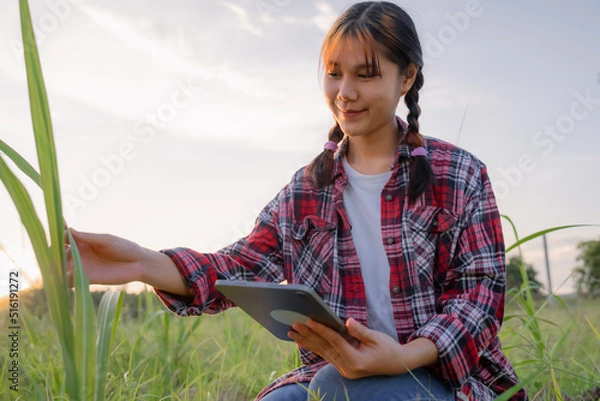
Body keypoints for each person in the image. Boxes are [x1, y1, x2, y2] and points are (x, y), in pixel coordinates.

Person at [66, 2, 528, 400]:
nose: (345, 93)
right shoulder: (306, 191)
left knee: (332, 390)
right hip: (332, 372)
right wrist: (143, 264)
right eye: (334, 73)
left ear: (406, 77)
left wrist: (402, 356)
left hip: (445, 379)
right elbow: (240, 266)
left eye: (365, 75)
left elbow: (480, 298)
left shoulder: (459, 174)